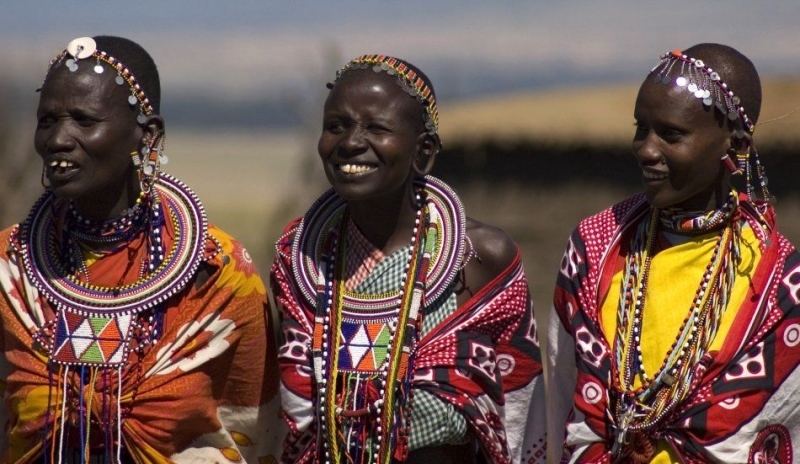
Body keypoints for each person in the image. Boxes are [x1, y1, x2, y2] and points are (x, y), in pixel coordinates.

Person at [0, 36, 282, 463]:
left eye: (83, 119)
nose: (58, 138)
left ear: (148, 134)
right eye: (47, 120)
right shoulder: (11, 268)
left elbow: (255, 432)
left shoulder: (217, 273)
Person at [271, 55, 546, 464]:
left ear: (425, 152)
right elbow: (290, 415)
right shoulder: (302, 258)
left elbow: (522, 418)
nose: (350, 142)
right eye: (336, 126)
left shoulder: (480, 258)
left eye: (377, 128)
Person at [547, 43, 800, 463]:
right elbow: (559, 404)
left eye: (671, 134)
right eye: (640, 129)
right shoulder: (595, 247)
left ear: (733, 141)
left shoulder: (779, 284)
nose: (646, 149)